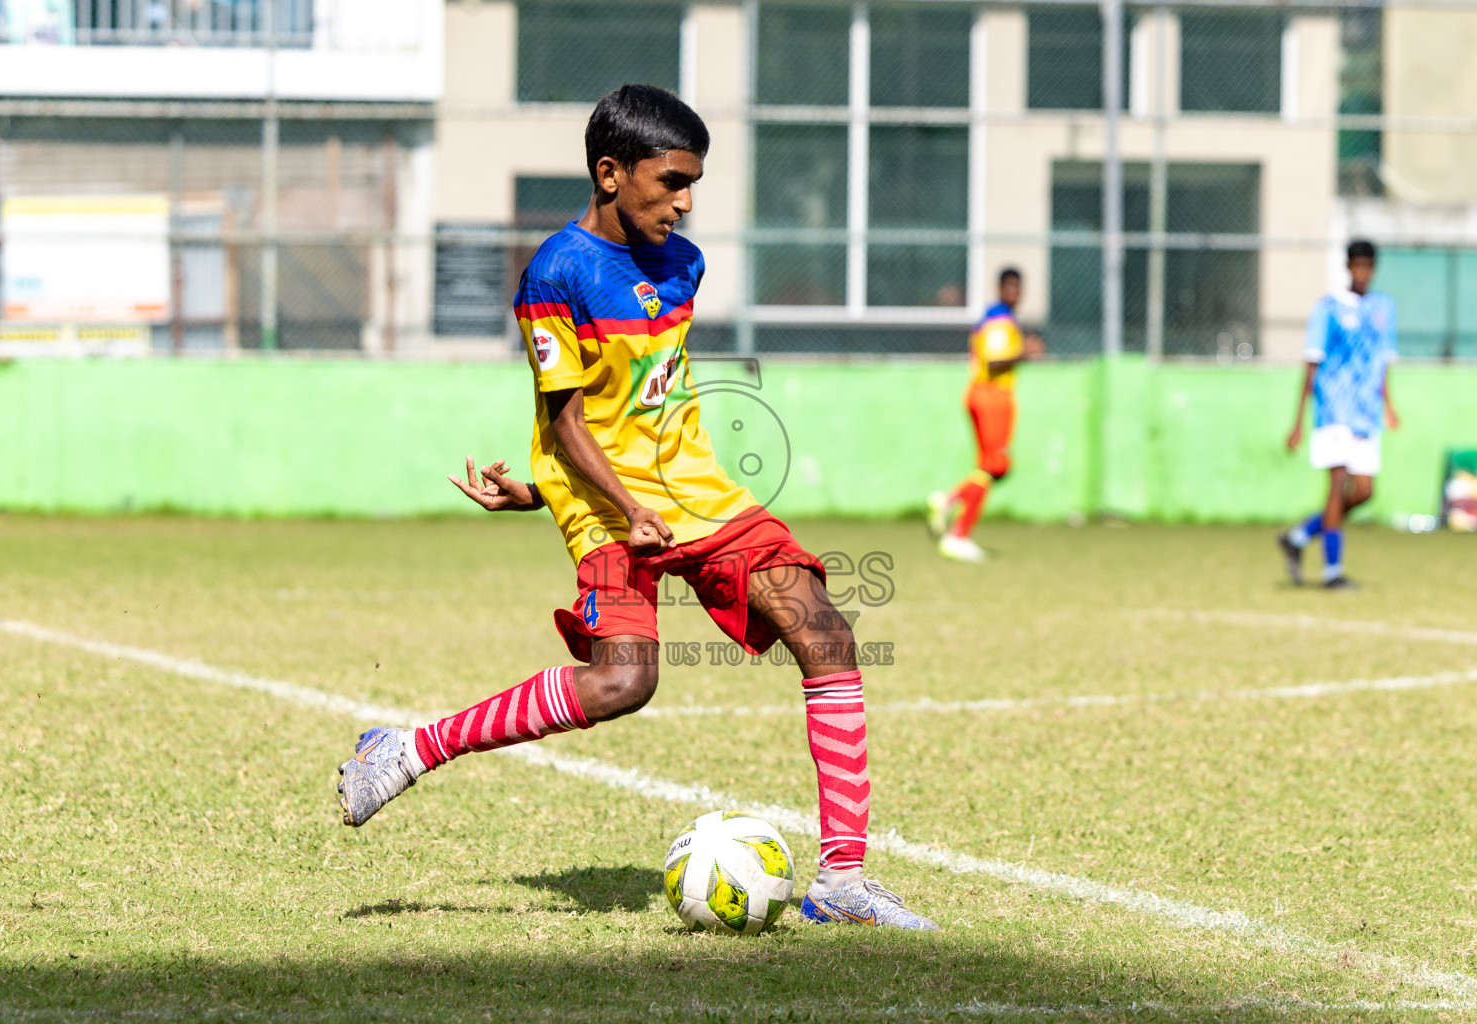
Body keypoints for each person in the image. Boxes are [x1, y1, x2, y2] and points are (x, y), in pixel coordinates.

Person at [336, 85, 937, 931]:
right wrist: (596, 499)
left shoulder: (683, 264)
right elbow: (568, 419)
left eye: (695, 181)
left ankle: (842, 881)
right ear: (611, 174)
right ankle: (405, 751)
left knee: (825, 629)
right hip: (606, 505)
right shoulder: (556, 273)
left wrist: (595, 491)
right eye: (672, 180)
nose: (686, 200)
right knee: (624, 681)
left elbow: (645, 405)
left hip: (696, 492)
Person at [1278, 240, 1400, 588]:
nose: (1361, 273)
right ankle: (1333, 572)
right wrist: (1297, 422)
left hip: (1366, 412)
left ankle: (1300, 537)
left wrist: (1388, 404)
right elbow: (1312, 363)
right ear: (1348, 268)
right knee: (1337, 487)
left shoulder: (1383, 308)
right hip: (1333, 409)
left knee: (1364, 491)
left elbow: (1383, 361)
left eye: (1367, 267)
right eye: (1356, 266)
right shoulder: (1328, 308)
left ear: (1373, 269)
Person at [926, 268, 1044, 562]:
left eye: (1019, 288)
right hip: (990, 394)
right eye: (1010, 287)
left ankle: (950, 504)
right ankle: (957, 531)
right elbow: (994, 363)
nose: (1015, 293)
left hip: (993, 395)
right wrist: (1025, 353)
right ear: (1000, 288)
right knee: (994, 465)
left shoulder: (1003, 319)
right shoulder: (998, 320)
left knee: (996, 467)